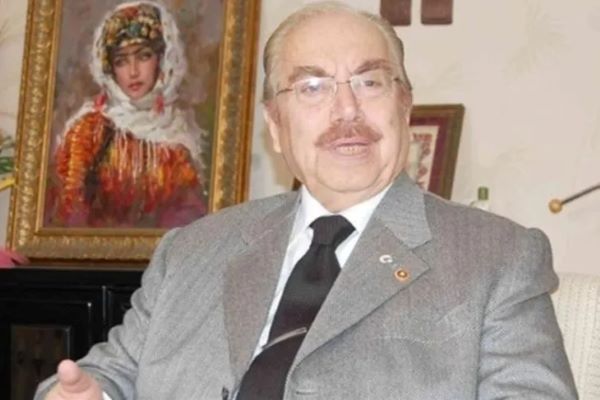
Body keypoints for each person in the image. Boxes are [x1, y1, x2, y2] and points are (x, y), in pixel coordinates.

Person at [36, 2, 578, 399]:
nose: (347, 111)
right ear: (275, 125)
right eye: (312, 88)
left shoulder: (496, 257)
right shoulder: (191, 251)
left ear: (404, 106)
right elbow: (107, 375)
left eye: (369, 82)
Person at [48, 1, 207, 228]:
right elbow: (69, 211)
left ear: (161, 59)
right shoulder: (89, 130)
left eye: (143, 56)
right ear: (109, 69)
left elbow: (188, 217)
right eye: (121, 61)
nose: (133, 72)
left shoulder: (177, 136)